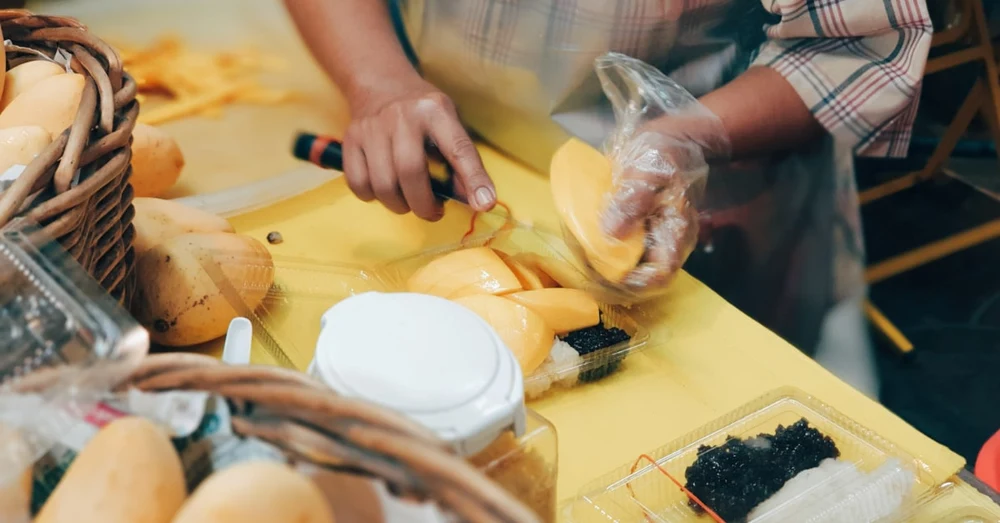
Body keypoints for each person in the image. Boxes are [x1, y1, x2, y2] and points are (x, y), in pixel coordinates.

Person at [284, 0, 933, 397]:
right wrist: (377, 80)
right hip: (459, 148)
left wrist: (688, 136)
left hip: (703, 202)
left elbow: (857, 43)